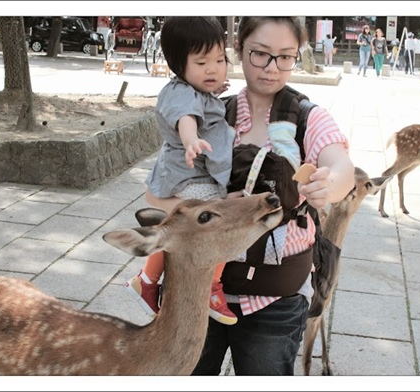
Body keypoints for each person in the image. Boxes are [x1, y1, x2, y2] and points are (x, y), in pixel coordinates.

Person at [145, 16, 355, 376]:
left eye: (286, 56)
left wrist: (329, 182)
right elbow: (156, 195)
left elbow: (342, 167)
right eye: (260, 54)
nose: (273, 68)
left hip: (274, 300)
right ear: (238, 50)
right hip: (197, 291)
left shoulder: (307, 117)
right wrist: (210, 210)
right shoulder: (209, 112)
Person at [125, 17, 239, 326]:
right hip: (188, 175)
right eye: (202, 62)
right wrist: (191, 141)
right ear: (178, 65)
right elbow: (185, 119)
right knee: (220, 222)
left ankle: (147, 279)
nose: (213, 69)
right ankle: (210, 285)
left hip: (195, 175)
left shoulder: (197, 89)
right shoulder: (180, 95)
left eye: (220, 60)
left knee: (176, 228)